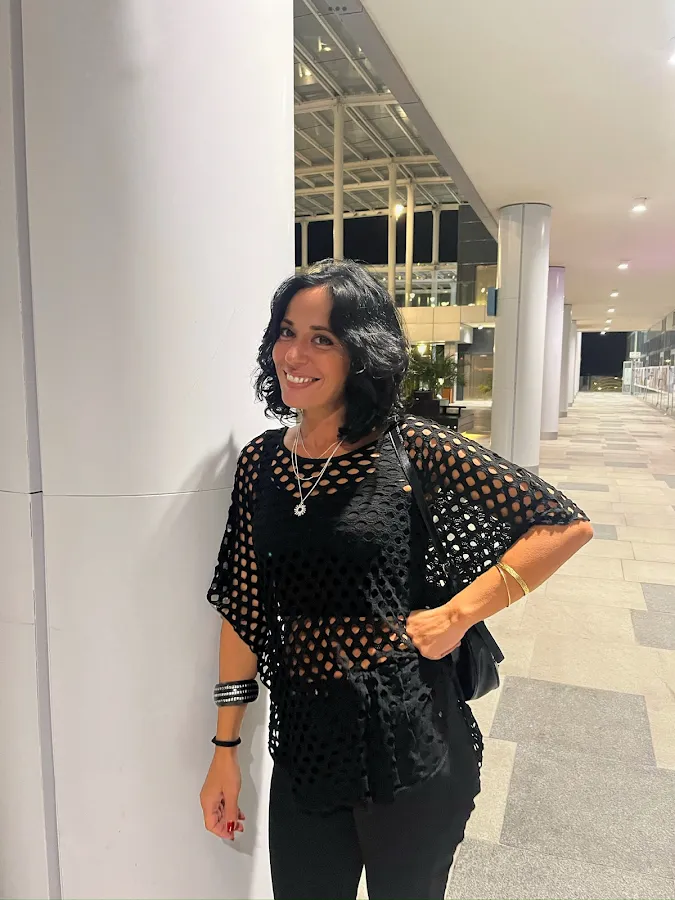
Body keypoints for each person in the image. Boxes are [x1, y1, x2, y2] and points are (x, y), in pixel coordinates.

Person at [200, 259, 593, 900]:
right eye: (287, 332)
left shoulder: (411, 448)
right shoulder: (261, 463)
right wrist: (224, 748)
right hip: (306, 747)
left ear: (362, 353)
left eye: (322, 338)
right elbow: (244, 607)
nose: (295, 354)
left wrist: (459, 613)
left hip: (410, 743)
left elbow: (562, 525)